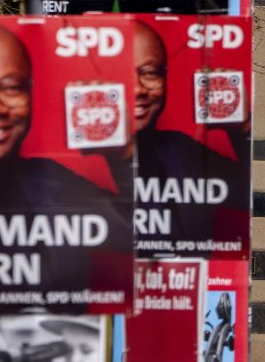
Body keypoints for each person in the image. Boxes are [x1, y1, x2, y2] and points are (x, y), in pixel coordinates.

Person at [0, 22, 128, 298]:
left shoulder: (50, 178)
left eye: (11, 87)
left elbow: (142, 239)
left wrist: (121, 156)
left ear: (29, 95)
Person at [105, 20, 249, 249]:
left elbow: (249, 195)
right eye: (121, 72)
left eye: (150, 73)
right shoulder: (66, 167)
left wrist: (242, 128)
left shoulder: (179, 150)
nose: (138, 89)